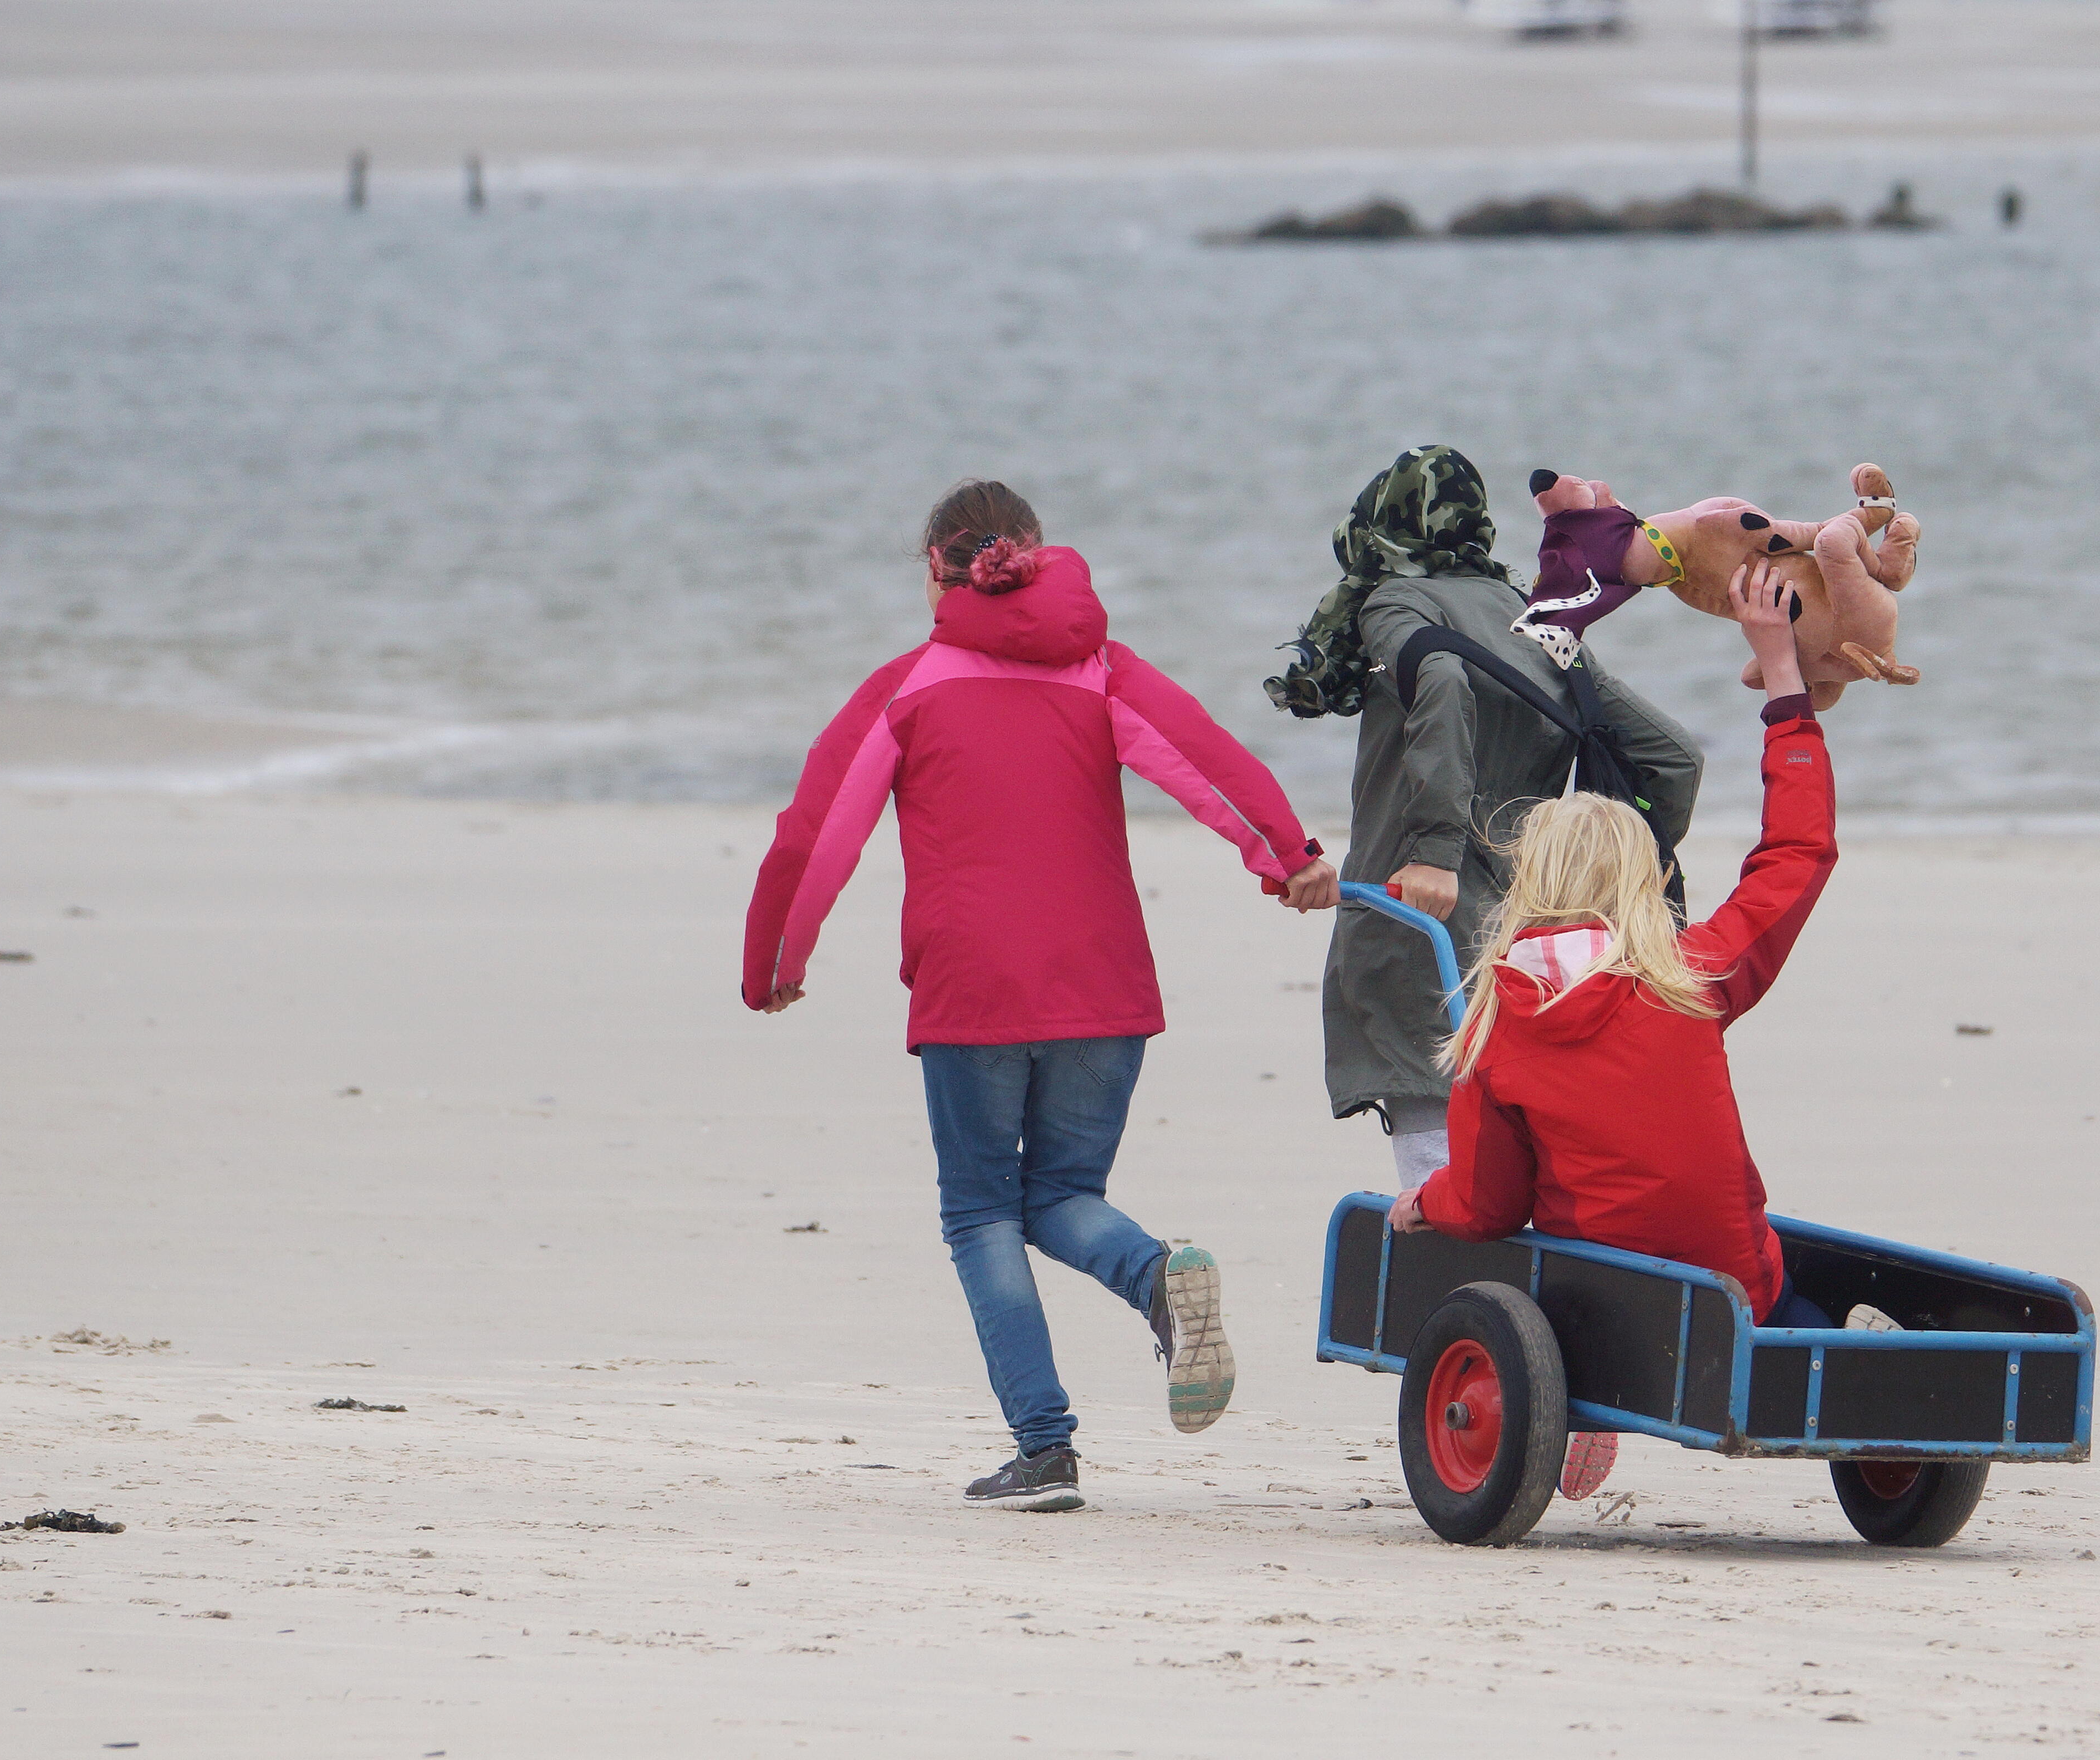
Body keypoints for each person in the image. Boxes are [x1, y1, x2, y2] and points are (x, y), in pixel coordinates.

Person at [744, 479, 1338, 1514]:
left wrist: (777, 966)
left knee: (980, 1211)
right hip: (1104, 986)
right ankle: (1153, 1277)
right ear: (1036, 554)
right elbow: (1208, 759)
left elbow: (816, 834)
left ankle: (1045, 1447)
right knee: (1059, 1195)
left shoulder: (906, 685)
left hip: (973, 992)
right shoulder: (1101, 669)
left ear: (936, 569)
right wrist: (1284, 857)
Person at [1389, 557, 1838, 1325]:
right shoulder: (1686, 977)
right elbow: (1796, 854)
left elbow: (1484, 1208)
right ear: (1643, 878)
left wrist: (1422, 1203)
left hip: (1599, 1307)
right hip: (1736, 1294)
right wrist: (1783, 687)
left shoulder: (1494, 1024)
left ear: (1527, 880)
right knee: (1801, 1313)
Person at [1264, 445, 1700, 1188]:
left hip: (1417, 920)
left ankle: (1461, 1297)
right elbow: (1672, 757)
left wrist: (1434, 851)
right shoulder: (1527, 616)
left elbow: (1439, 676)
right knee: (1524, 1157)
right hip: (1534, 935)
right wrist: (1614, 879)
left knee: (1440, 1158)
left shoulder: (1393, 602)